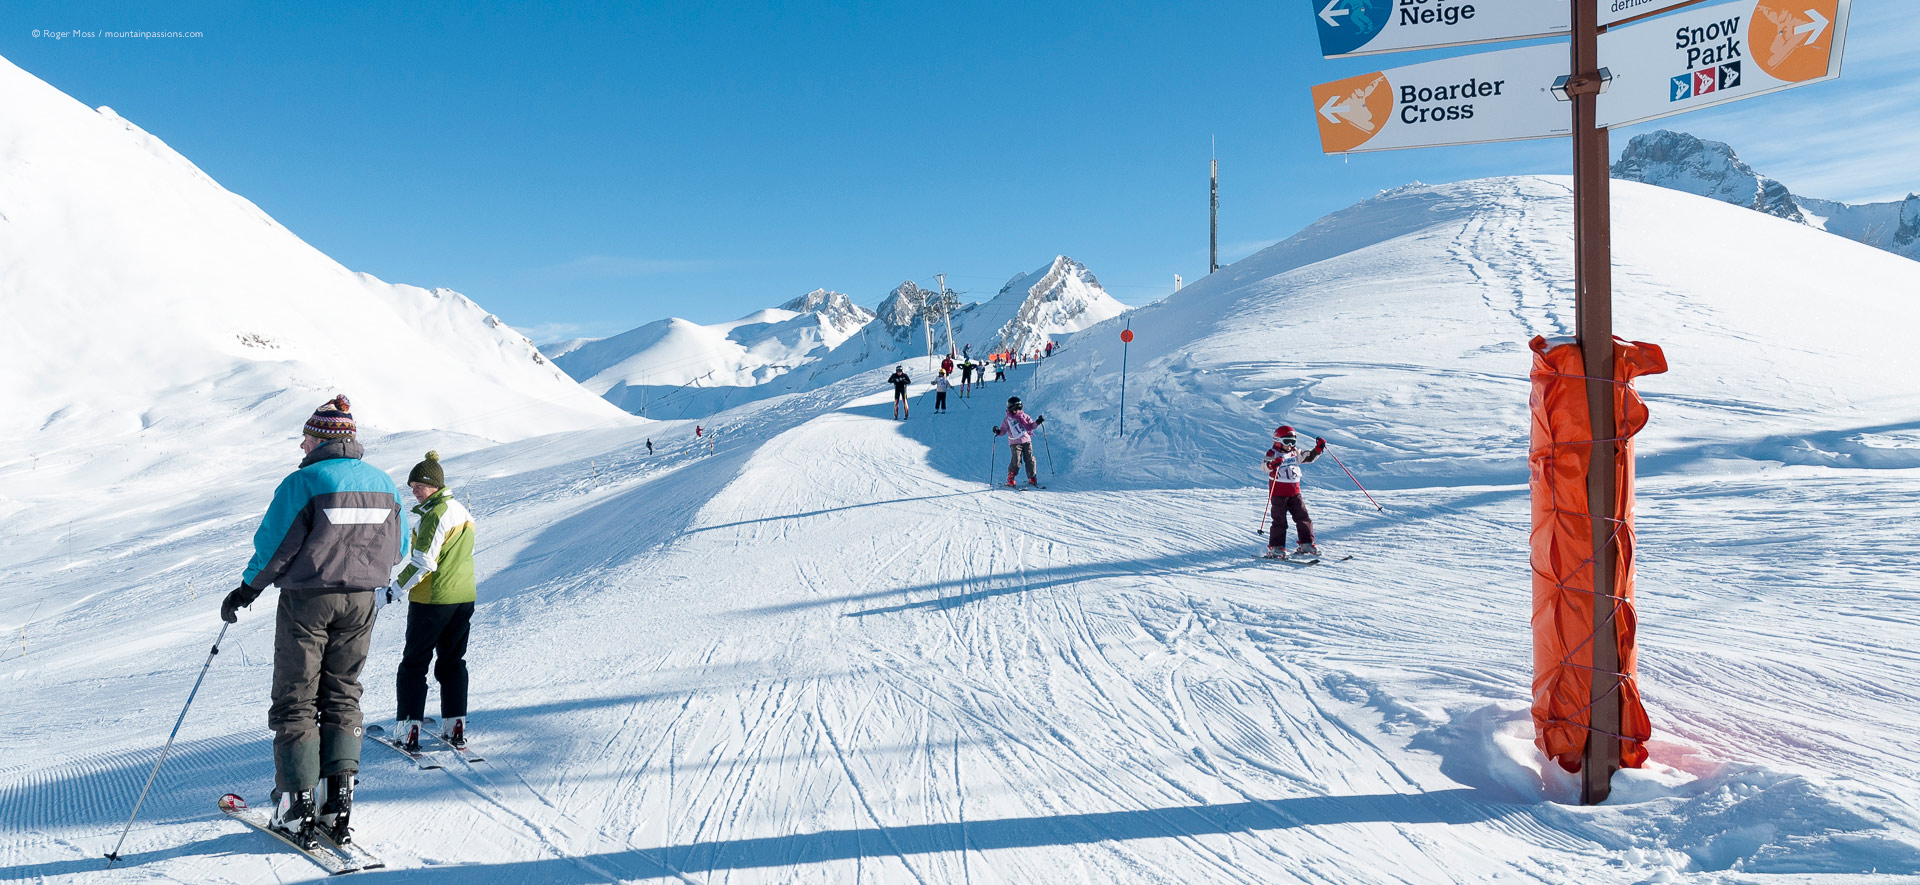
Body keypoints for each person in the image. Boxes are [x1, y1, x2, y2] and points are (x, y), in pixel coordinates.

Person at [220, 395, 407, 849]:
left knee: (296, 698)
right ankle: (336, 800)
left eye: (306, 436)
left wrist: (247, 590)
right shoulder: (384, 483)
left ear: (323, 438)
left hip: (309, 601)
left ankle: (295, 805)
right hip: (362, 603)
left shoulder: (304, 481)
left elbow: (275, 545)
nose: (302, 445)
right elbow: (398, 549)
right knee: (342, 694)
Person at [390, 451, 478, 752]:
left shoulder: (435, 513)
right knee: (453, 662)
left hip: (432, 600)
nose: (415, 491)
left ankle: (408, 729)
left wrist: (393, 590)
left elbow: (423, 562)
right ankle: (455, 723)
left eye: (420, 486)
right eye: (412, 486)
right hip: (463, 597)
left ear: (435, 485)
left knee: (414, 664)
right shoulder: (462, 512)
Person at [1263, 425, 1327, 559]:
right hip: (1278, 493)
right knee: (1279, 521)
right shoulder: (1272, 453)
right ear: (1277, 441)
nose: (1290, 445)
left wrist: (1318, 449)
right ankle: (1276, 547)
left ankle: (1306, 543)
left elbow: (1308, 457)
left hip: (1295, 492)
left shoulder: (1295, 452)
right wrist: (1273, 464)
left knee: (1303, 518)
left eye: (1293, 442)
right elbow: (1264, 466)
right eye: (1287, 442)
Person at [992, 396, 1044, 486]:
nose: (1017, 411)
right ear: (1010, 409)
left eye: (1019, 409)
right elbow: (1003, 430)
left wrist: (1038, 422)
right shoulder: (1008, 420)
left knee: (1030, 459)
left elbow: (1031, 426)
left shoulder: (1024, 416)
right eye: (1015, 410)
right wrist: (998, 431)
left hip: (1026, 441)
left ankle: (1032, 477)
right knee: (1016, 460)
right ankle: (1011, 477)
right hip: (1015, 443)